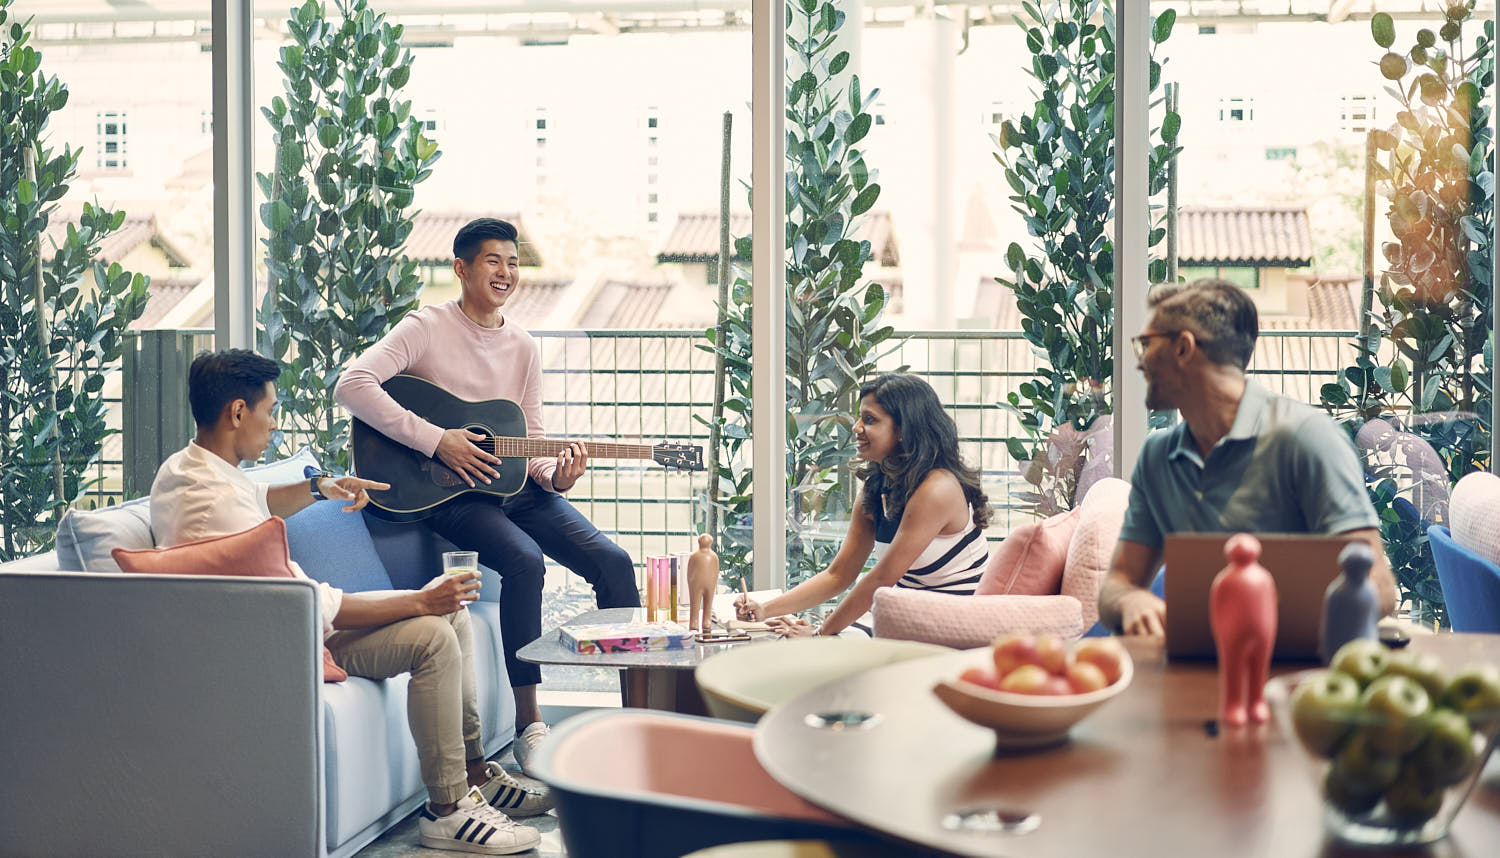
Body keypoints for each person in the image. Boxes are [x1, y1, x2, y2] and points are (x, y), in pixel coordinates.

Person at [151, 349, 547, 855]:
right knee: (432, 633)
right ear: (236, 412)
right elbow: (318, 608)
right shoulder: (210, 504)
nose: (273, 425)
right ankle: (447, 811)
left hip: (294, 619)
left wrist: (321, 487)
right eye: (270, 411)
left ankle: (474, 775)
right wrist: (418, 603)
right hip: (284, 642)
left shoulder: (193, 468)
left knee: (452, 609)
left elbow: (258, 498)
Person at [335, 217, 639, 774]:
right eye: (493, 261)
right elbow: (352, 385)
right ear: (462, 268)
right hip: (450, 493)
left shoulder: (522, 344)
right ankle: (531, 724)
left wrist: (557, 475)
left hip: (516, 487)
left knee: (613, 562)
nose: (506, 272)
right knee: (524, 562)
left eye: (514, 262)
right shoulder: (425, 328)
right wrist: (437, 440)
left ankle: (640, 715)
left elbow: (534, 439)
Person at [1097, 279, 1399, 638]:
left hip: (1291, 678)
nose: (1140, 362)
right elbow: (1117, 585)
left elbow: (1378, 587)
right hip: (1186, 671)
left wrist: (1274, 620)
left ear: (1183, 347)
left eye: (1146, 344)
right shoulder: (1156, 457)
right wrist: (1131, 600)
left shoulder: (1307, 439)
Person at [735, 373, 991, 637]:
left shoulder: (938, 488)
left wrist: (820, 635)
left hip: (958, 626)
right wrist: (765, 610)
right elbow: (839, 574)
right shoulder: (877, 486)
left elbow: (881, 580)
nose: (856, 427)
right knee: (794, 642)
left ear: (903, 430)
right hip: (913, 617)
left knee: (815, 650)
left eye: (869, 420)